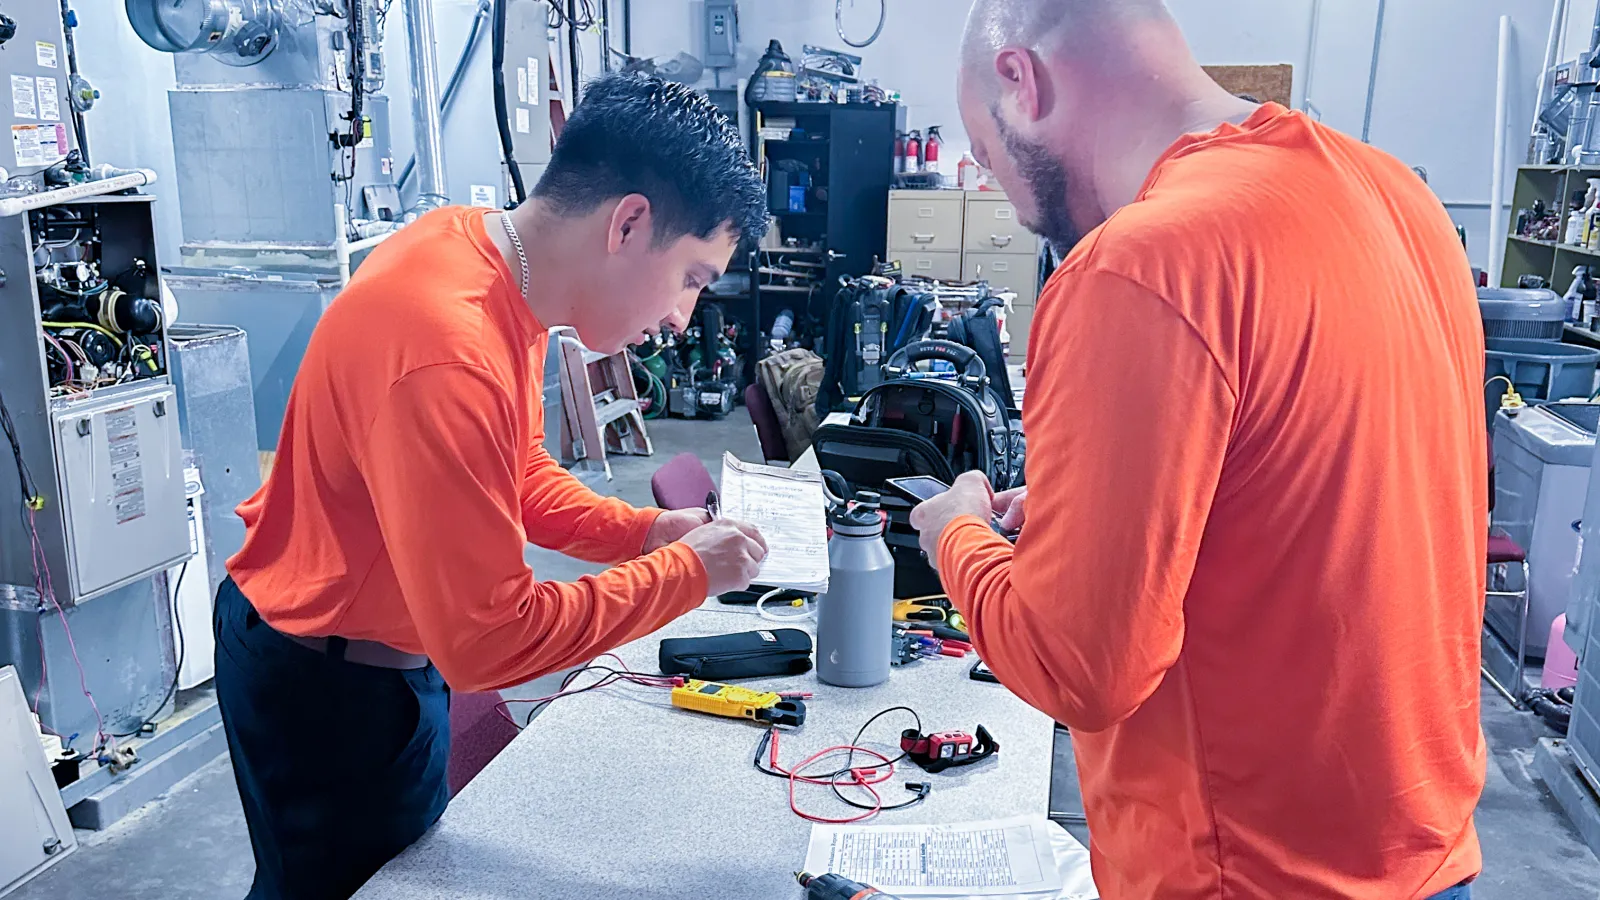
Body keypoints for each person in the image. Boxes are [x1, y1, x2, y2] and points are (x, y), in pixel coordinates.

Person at [910, 3, 1485, 899]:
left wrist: (956, 531)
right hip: (1426, 856)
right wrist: (1088, 520)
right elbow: (1315, 497)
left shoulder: (1139, 265)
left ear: (1020, 82)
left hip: (1249, 874)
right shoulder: (1397, 199)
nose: (1005, 199)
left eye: (986, 155)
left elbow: (1077, 667)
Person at [215, 73, 771, 900]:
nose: (681, 319)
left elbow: (515, 467)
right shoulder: (447, 343)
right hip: (329, 683)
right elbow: (488, 642)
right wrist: (685, 575)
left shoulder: (488, 262)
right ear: (627, 224)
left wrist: (643, 533)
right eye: (691, 278)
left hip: (366, 651)